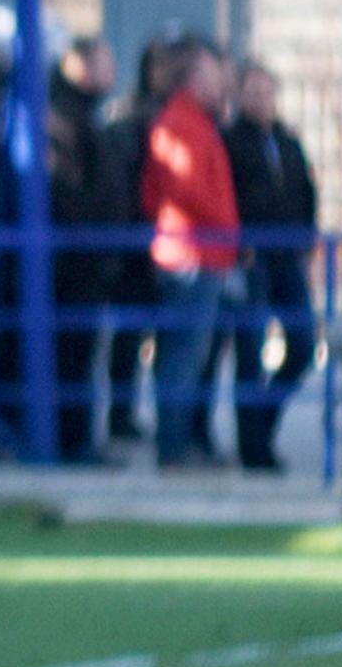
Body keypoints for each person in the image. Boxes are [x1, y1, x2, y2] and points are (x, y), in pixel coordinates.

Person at [139, 40, 237, 468]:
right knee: (184, 355)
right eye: (212, 75)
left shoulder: (192, 121)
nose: (220, 84)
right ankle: (173, 449)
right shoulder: (181, 123)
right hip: (192, 258)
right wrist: (230, 230)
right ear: (195, 79)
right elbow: (185, 191)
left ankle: (181, 444)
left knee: (191, 355)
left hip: (201, 256)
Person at [222, 59, 317, 472]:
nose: (262, 100)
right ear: (240, 95)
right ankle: (253, 448)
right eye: (254, 92)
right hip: (252, 260)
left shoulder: (288, 142)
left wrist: (306, 240)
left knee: (302, 346)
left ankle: (264, 424)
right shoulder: (230, 142)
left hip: (287, 260)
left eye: (268, 92)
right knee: (249, 354)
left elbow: (305, 192)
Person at [101, 37, 183, 444]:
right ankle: (122, 414)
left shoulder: (181, 114)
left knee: (170, 336)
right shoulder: (131, 116)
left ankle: (168, 418)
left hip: (169, 239)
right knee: (129, 335)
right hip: (136, 241)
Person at [46, 36, 121, 460]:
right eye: (104, 63)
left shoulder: (83, 115)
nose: (111, 73)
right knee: (73, 355)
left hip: (88, 258)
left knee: (82, 355)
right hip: (76, 261)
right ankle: (73, 444)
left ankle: (79, 440)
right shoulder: (65, 117)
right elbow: (71, 190)